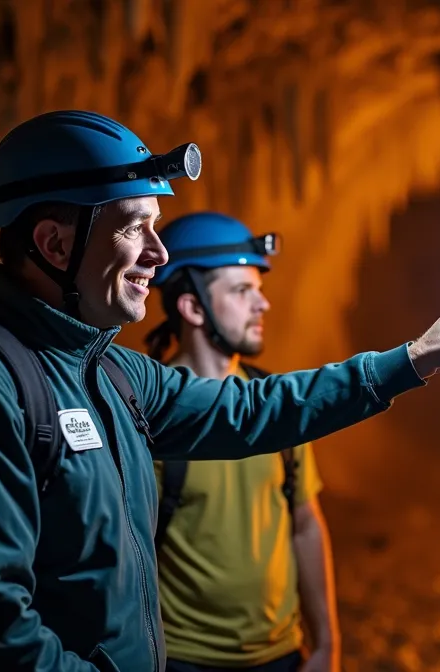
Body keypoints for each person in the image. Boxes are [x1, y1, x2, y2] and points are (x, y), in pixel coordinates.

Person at [0, 110, 440, 672]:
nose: (159, 254)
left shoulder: (110, 372)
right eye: (136, 228)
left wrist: (412, 359)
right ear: (54, 244)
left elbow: (256, 409)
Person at [142, 212, 339, 672]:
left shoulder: (277, 405)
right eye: (241, 290)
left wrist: (327, 643)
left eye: (259, 288)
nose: (262, 304)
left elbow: (305, 523)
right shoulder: (150, 418)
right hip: (183, 660)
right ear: (192, 308)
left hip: (282, 656)